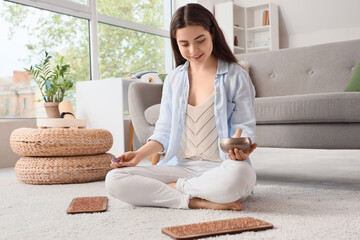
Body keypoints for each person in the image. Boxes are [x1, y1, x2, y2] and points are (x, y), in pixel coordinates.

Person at [105, 3, 257, 211]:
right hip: (179, 167)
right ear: (176, 43)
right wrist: (138, 155)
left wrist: (242, 150)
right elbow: (164, 131)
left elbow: (245, 125)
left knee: (241, 176)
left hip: (221, 167)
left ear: (212, 33)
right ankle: (194, 201)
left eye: (200, 40)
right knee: (114, 178)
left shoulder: (236, 76)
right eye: (184, 44)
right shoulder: (174, 79)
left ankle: (177, 189)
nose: (193, 50)